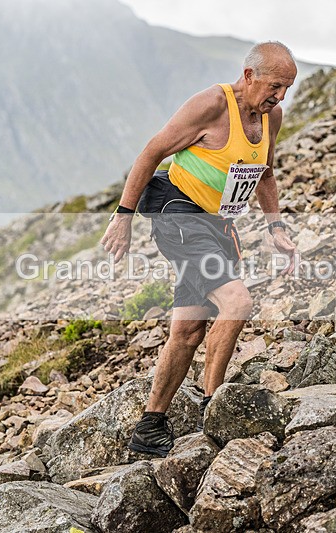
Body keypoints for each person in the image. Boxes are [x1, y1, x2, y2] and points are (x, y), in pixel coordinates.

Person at [100, 41, 298, 457]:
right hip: (178, 216)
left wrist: (275, 225)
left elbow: (264, 174)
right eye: (275, 86)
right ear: (249, 76)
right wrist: (123, 216)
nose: (279, 97)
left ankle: (150, 427)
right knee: (237, 302)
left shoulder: (270, 116)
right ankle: (215, 408)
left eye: (287, 88)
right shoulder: (211, 104)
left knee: (188, 330)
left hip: (217, 225)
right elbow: (152, 152)